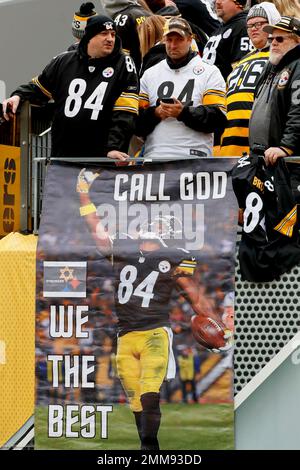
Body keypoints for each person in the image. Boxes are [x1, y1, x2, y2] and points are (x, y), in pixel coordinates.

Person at [76, 167, 232, 450]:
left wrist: (218, 324)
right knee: (136, 400)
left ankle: (149, 449)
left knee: (149, 392)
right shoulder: (124, 249)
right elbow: (98, 236)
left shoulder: (174, 258)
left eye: (162, 226)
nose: (157, 227)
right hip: (125, 335)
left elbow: (196, 297)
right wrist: (84, 198)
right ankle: (149, 446)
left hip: (154, 333)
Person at [2, 15, 139, 162]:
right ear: (89, 36)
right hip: (63, 158)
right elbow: (39, 88)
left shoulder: (124, 64)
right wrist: (18, 96)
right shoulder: (64, 61)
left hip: (101, 160)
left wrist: (114, 147)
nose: (110, 39)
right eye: (104, 34)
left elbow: (125, 113)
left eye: (113, 34)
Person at [136, 17, 226, 159]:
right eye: (169, 40)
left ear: (190, 40)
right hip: (155, 157)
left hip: (195, 157)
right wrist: (155, 113)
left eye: (179, 39)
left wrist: (183, 113)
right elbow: (136, 123)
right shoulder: (150, 74)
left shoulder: (210, 72)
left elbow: (218, 119)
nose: (173, 45)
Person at [220, 2, 281, 156]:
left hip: (263, 149)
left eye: (259, 24)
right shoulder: (240, 62)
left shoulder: (281, 57)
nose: (253, 28)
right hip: (229, 146)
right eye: (249, 25)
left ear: (272, 24)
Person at [249, 16, 300, 166]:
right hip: (263, 158)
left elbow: (298, 112)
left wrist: (286, 147)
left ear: (297, 41)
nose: (274, 43)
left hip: (287, 161)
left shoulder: (297, 66)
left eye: (280, 39)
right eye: (271, 40)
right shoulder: (270, 66)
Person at [203, 0, 251, 80]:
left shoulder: (243, 27)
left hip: (224, 88)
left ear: (238, 3)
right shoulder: (222, 28)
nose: (217, 2)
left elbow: (242, 66)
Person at [104, 0, 152, 70]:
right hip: (150, 70)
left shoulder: (121, 19)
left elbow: (121, 58)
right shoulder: (148, 14)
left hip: (133, 72)